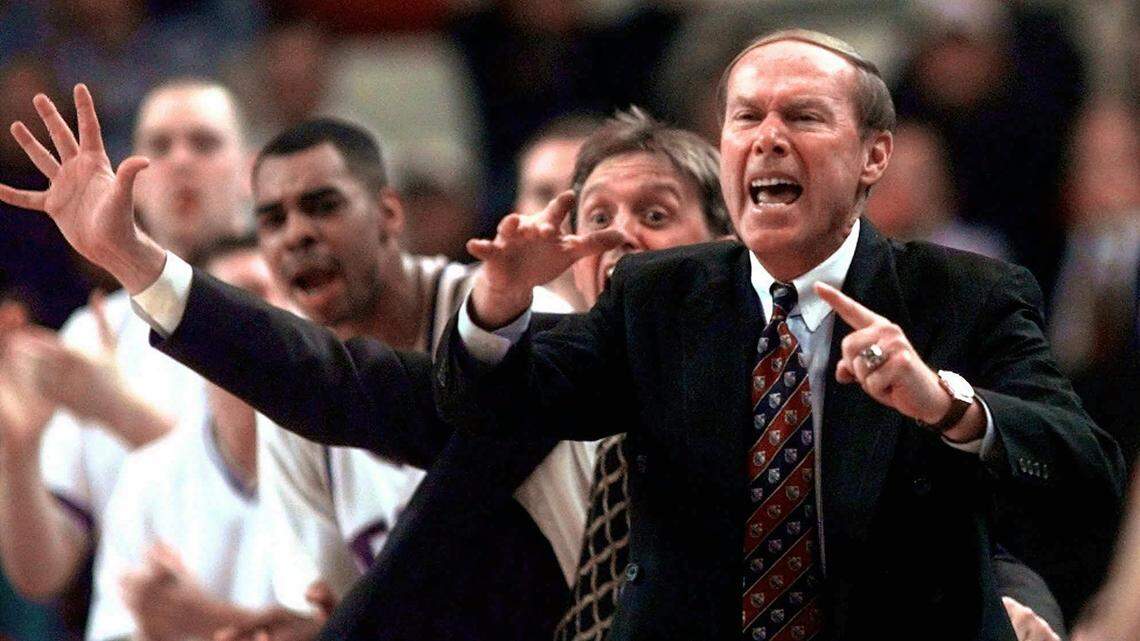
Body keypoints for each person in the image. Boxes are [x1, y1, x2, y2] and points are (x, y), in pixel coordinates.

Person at [432, 29, 1122, 640]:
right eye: (746, 117)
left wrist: (947, 405)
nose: (767, 137)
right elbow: (496, 408)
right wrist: (497, 301)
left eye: (803, 116)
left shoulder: (968, 295)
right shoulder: (656, 296)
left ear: (873, 155)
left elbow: (1085, 471)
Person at [0, 78, 248, 623]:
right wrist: (15, 456)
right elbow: (43, 576)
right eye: (159, 146)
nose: (181, 160)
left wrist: (115, 409)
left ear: (250, 172)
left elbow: (263, 491)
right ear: (129, 177)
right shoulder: (90, 332)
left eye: (204, 143)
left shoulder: (290, 314)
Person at [85, 236, 287, 641]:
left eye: (258, 295)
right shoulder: (146, 477)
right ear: (189, 327)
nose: (249, 318)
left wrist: (207, 621)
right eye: (225, 302)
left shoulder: (357, 453)